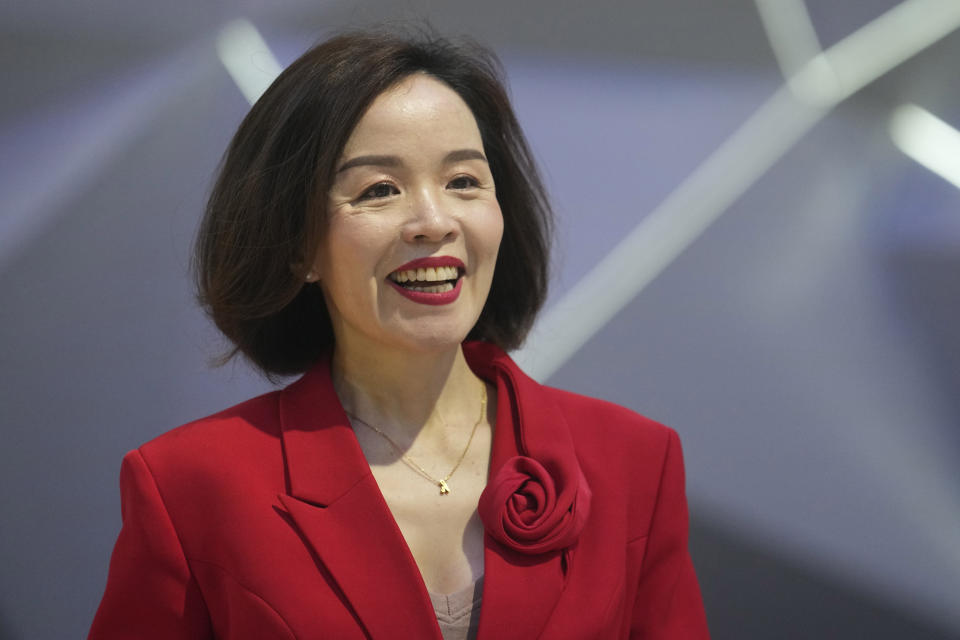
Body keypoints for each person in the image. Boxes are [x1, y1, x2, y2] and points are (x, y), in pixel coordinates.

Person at [89, 29, 710, 640]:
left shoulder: (635, 461)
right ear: (298, 244)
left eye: (463, 181)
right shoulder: (190, 485)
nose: (434, 221)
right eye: (379, 190)